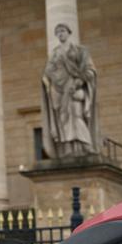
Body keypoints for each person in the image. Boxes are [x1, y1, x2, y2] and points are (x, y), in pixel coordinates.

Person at [41, 22, 98, 158]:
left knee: (76, 114)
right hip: (57, 89)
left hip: (73, 86)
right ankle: (66, 147)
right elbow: (47, 71)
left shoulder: (79, 50)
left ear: (69, 32)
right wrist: (48, 80)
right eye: (58, 31)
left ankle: (86, 144)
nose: (60, 33)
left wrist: (80, 81)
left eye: (63, 30)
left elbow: (90, 69)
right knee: (62, 119)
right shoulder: (54, 54)